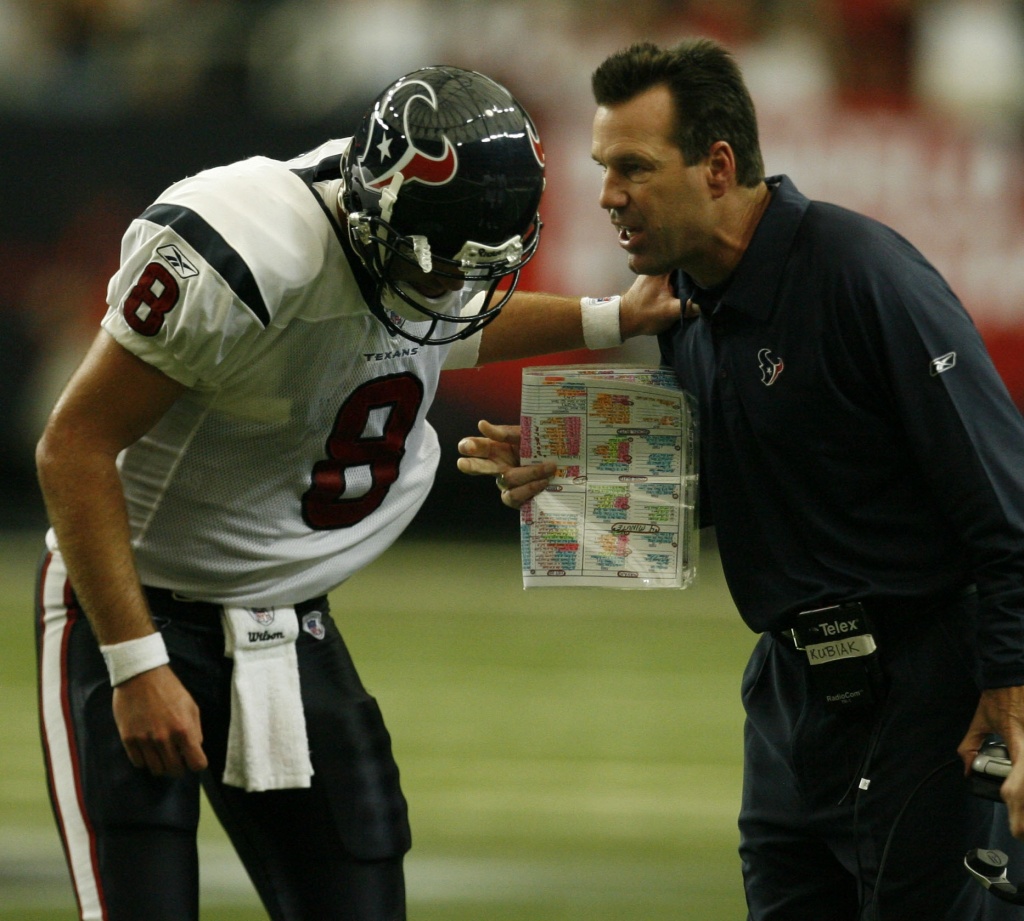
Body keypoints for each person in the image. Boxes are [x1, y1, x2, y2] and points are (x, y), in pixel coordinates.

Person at [33, 65, 678, 921]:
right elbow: (72, 446)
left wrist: (609, 319)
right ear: (377, 211)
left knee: (361, 879)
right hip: (136, 603)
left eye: (474, 269)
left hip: (285, 616)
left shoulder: (423, 233)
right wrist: (135, 660)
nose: (453, 289)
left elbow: (448, 316)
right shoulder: (248, 247)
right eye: (437, 266)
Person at [456, 39, 1024, 920]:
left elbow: (1005, 505)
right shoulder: (681, 300)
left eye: (634, 168)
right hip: (791, 696)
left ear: (718, 166)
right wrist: (574, 475)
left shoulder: (863, 276)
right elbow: (732, 483)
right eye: (605, 167)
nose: (608, 194)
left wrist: (1008, 681)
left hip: (922, 689)